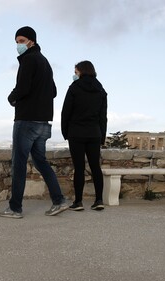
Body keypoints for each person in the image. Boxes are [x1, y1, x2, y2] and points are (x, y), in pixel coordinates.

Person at [0, 26, 68, 219]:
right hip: (43, 123)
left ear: (31, 41)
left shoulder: (28, 60)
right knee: (41, 162)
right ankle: (59, 200)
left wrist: (11, 98)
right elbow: (53, 91)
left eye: (21, 41)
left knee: (19, 164)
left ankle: (15, 208)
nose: (18, 45)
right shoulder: (45, 62)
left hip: (27, 120)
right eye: (16, 42)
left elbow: (22, 87)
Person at [61, 60, 107, 211]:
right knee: (95, 167)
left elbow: (66, 112)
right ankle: (99, 200)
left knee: (79, 167)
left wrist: (65, 132)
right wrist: (102, 136)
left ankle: (78, 202)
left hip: (76, 133)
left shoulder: (74, 88)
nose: (75, 75)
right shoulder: (101, 90)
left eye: (76, 72)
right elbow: (103, 116)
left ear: (81, 71)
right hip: (94, 133)